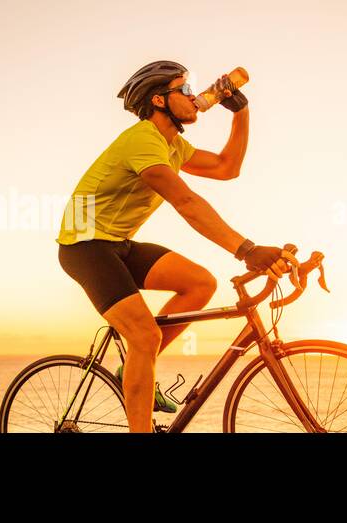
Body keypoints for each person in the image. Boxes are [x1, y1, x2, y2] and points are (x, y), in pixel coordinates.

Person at [55, 60, 292, 433]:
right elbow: (185, 202)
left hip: (118, 243)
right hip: (84, 246)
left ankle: (131, 366)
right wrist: (246, 249)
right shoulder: (143, 139)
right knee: (144, 334)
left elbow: (227, 167)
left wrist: (241, 112)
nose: (194, 97)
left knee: (200, 283)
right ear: (160, 101)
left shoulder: (173, 145)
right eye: (183, 89)